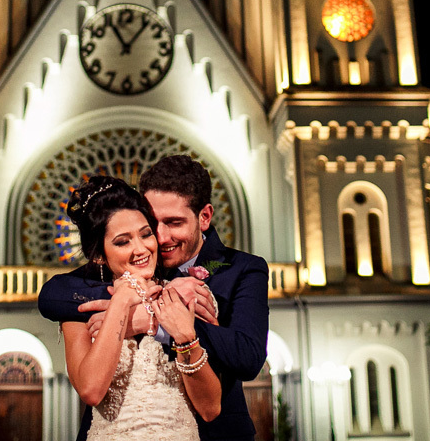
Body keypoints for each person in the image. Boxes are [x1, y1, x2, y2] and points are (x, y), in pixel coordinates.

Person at [39, 156, 269, 441]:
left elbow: (247, 357)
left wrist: (152, 321)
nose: (159, 238)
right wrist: (129, 302)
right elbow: (53, 295)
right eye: (152, 223)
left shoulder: (241, 268)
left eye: (173, 223)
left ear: (205, 217)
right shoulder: (134, 263)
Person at [60, 175, 222, 440]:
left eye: (146, 234)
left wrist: (184, 337)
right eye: (123, 242)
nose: (141, 248)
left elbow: (210, 408)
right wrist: (122, 301)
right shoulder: (81, 307)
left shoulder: (184, 294)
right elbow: (90, 390)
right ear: (99, 255)